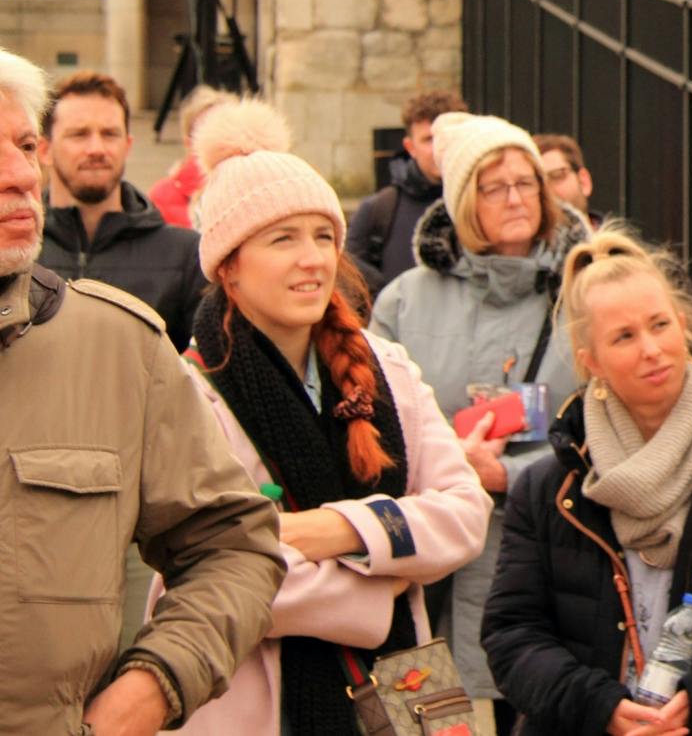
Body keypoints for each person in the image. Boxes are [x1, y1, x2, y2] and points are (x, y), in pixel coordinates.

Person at [165, 97, 492, 735]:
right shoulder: (191, 391)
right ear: (229, 266)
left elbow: (463, 514)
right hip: (254, 701)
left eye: (322, 236)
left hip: (408, 688)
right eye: (282, 239)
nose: (312, 259)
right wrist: (384, 583)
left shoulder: (387, 368)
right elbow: (216, 573)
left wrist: (338, 529)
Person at [0, 46, 284, 735]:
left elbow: (235, 547)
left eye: (25, 144)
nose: (17, 176)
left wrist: (149, 689)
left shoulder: (120, 344)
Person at [483, 227, 692, 736]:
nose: (652, 349)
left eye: (660, 325)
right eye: (624, 336)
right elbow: (512, 635)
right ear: (589, 359)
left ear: (682, 327)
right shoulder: (546, 488)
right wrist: (602, 708)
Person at [371, 109, 590, 724]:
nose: (516, 197)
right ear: (465, 200)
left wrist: (514, 478)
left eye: (527, 182)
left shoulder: (585, 292)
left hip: (551, 568)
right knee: (426, 718)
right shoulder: (404, 301)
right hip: (428, 577)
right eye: (495, 186)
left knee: (539, 714)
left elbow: (616, 423)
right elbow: (368, 426)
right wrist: (449, 466)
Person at [36, 71, 206, 351]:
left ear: (127, 146)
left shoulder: (185, 256)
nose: (96, 148)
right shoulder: (16, 252)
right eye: (79, 134)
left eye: (109, 134)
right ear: (45, 150)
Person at [347, 89, 465, 293]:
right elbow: (350, 282)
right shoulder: (378, 210)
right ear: (410, 146)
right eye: (429, 139)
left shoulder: (486, 204)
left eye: (447, 138)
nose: (439, 148)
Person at [149, 84, 228, 228]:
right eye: (205, 132)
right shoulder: (162, 195)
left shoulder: (252, 192)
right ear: (188, 141)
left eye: (224, 129)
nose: (216, 140)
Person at [535, 131, 605, 231]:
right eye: (537, 183)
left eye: (556, 176)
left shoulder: (623, 244)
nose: (548, 191)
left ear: (583, 182)